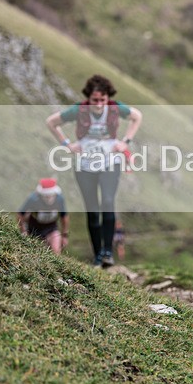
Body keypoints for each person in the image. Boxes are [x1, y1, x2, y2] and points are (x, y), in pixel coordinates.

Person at [46, 74, 142, 267]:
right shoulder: (79, 110)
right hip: (85, 164)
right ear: (88, 98)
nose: (98, 104)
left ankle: (108, 251)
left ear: (108, 98)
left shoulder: (115, 108)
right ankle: (98, 254)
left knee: (107, 201)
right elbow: (51, 122)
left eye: (102, 100)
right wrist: (67, 144)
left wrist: (125, 142)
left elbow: (137, 116)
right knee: (92, 208)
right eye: (94, 100)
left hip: (110, 161)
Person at [17, 178, 69, 255]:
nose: (49, 198)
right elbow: (20, 214)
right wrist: (23, 230)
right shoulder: (33, 199)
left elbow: (64, 217)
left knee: (56, 252)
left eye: (51, 195)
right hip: (34, 230)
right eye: (46, 196)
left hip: (51, 229)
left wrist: (64, 235)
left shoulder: (59, 199)